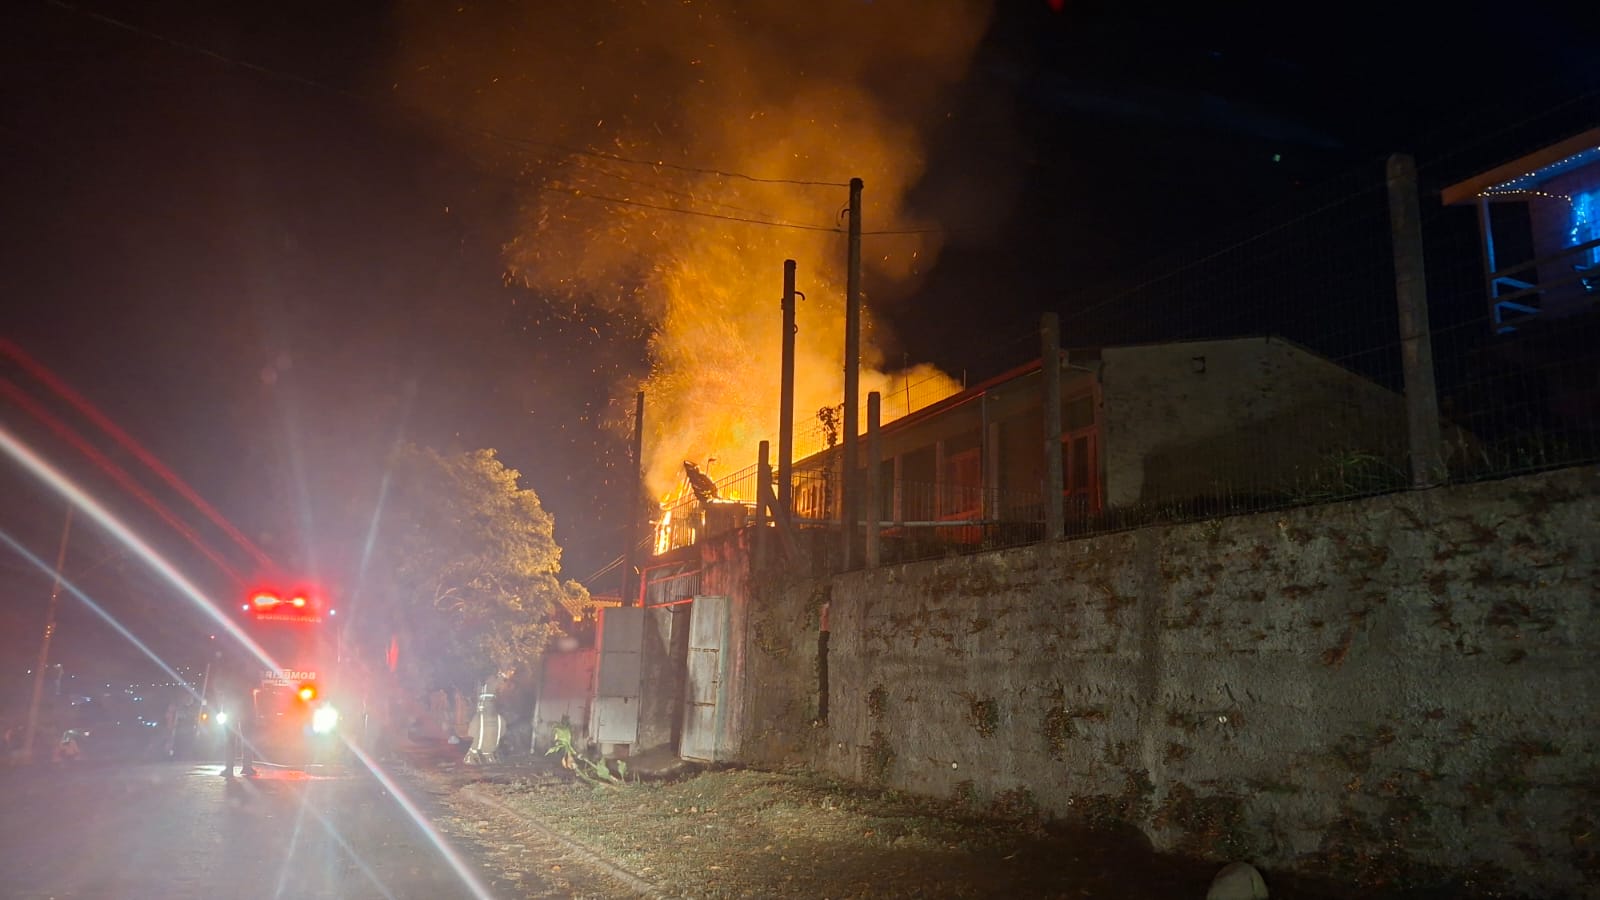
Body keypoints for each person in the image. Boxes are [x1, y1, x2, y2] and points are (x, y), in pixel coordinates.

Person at [210, 649, 258, 778]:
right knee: (245, 738)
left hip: (233, 707)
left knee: (231, 739)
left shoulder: (228, 667)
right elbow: (258, 684)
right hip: (244, 707)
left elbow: (219, 685)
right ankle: (245, 767)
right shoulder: (249, 668)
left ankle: (231, 767)